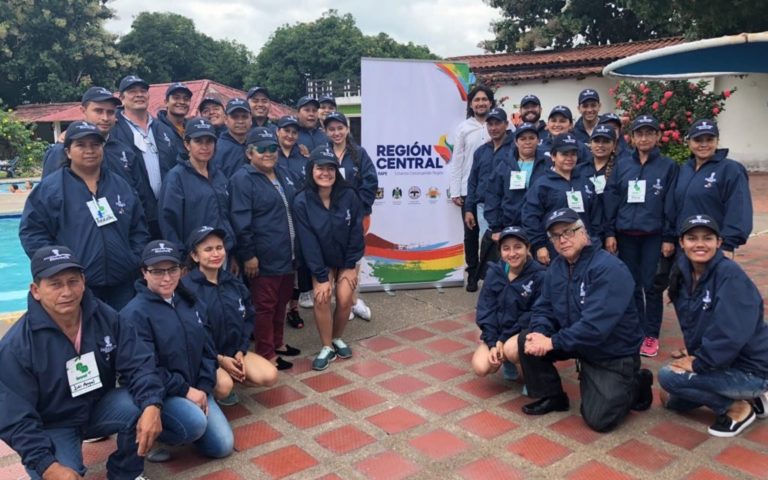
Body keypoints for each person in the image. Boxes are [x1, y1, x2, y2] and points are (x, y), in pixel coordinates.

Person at [0, 246, 164, 480]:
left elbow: (139, 361)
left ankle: (126, 473)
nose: (67, 292)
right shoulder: (16, 346)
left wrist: (152, 405)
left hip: (97, 408)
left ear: (84, 282)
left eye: (73, 281)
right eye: (55, 284)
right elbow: (14, 416)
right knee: (59, 474)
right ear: (36, 290)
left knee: (140, 403)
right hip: (54, 423)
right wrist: (46, 464)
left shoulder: (105, 316)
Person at [516, 208, 652, 432]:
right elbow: (543, 307)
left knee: (599, 420)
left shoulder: (609, 268)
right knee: (527, 339)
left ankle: (636, 382)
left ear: (583, 232)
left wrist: (552, 342)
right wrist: (539, 332)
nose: (563, 240)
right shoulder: (557, 268)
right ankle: (553, 396)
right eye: (556, 236)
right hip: (576, 340)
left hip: (610, 351)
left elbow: (595, 328)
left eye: (568, 231)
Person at [120, 240, 234, 463]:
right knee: (195, 424)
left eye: (172, 270)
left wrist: (203, 387)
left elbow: (208, 349)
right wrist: (185, 390)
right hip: (162, 392)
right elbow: (144, 369)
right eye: (157, 271)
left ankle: (184, 420)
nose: (166, 278)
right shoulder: (133, 314)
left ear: (181, 270)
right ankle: (150, 432)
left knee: (222, 446)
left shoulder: (190, 300)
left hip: (196, 386)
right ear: (144, 272)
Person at [20, 121, 149, 310]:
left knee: (122, 327)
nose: (89, 150)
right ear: (68, 152)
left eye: (95, 145)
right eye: (81, 145)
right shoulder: (50, 189)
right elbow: (32, 233)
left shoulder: (121, 186)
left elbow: (139, 228)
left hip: (122, 285)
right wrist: (57, 267)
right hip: (76, 285)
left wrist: (132, 259)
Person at [660, 215, 768, 437]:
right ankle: (753, 398)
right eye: (692, 238)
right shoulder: (682, 272)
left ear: (719, 242)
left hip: (752, 371)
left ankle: (737, 407)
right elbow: (698, 320)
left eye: (707, 238)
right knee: (673, 401)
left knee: (668, 377)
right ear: (681, 242)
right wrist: (694, 352)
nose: (700, 244)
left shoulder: (730, 276)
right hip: (723, 362)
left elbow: (731, 332)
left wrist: (700, 362)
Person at [603, 115, 678, 358]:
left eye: (649, 133)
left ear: (658, 136)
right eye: (639, 134)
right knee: (631, 284)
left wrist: (669, 237)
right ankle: (635, 328)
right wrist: (610, 232)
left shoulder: (668, 166)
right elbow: (612, 197)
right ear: (632, 138)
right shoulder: (623, 164)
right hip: (625, 235)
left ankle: (651, 334)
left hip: (653, 236)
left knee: (652, 285)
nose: (644, 138)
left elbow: (671, 203)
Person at [229, 127, 302, 370]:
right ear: (249, 153)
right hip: (264, 255)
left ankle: (278, 343)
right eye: (261, 149)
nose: (268, 153)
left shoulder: (282, 173)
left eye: (273, 148)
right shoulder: (243, 179)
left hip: (288, 253)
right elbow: (240, 220)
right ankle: (266, 352)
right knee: (264, 305)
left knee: (281, 301)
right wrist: (249, 255)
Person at [182, 226, 279, 406]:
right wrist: (219, 359)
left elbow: (248, 317)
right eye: (208, 249)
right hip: (204, 357)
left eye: (219, 248)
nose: (215, 254)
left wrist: (240, 350)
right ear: (195, 256)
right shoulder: (186, 289)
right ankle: (211, 388)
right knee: (224, 386)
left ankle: (230, 374)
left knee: (270, 375)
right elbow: (190, 334)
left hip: (233, 351)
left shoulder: (233, 282)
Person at [293, 146, 364, 371]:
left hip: (345, 258)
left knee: (344, 298)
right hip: (320, 260)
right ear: (311, 170)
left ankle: (336, 338)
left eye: (330, 168)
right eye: (320, 168)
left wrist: (350, 265)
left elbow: (356, 231)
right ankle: (326, 347)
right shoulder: (301, 200)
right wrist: (321, 276)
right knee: (322, 297)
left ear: (337, 171)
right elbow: (307, 241)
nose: (325, 173)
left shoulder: (349, 195)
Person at [664, 119, 752, 256]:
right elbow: (672, 206)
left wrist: (728, 244)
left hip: (712, 247)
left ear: (717, 141)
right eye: (698, 140)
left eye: (709, 140)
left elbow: (738, 209)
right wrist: (668, 237)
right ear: (689, 142)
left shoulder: (731, 170)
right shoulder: (684, 169)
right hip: (684, 245)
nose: (704, 144)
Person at [471, 226, 544, 381]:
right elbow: (485, 309)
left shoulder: (540, 275)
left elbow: (535, 313)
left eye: (518, 247)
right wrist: (492, 343)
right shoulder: (494, 272)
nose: (512, 253)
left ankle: (533, 376)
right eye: (506, 248)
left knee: (512, 350)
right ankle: (506, 360)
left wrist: (503, 339)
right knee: (480, 367)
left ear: (527, 248)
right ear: (500, 251)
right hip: (498, 334)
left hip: (523, 331)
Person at [324, 111, 377, 320]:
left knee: (354, 257)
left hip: (357, 217)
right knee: (332, 257)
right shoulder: (322, 152)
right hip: (329, 217)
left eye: (340, 128)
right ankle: (340, 300)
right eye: (331, 129)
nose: (336, 133)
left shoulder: (359, 153)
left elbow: (370, 182)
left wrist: (357, 209)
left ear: (347, 129)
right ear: (326, 132)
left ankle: (352, 299)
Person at [157, 118, 235, 260]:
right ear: (187, 144)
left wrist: (231, 250)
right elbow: (168, 222)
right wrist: (180, 257)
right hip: (193, 256)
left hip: (222, 253)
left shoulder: (219, 175)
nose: (204, 147)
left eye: (209, 141)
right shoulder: (176, 177)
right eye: (198, 141)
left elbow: (227, 215)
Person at [111, 75, 178, 239]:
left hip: (165, 212)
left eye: (143, 91)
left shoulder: (164, 129)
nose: (139, 95)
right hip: (131, 214)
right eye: (132, 91)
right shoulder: (112, 129)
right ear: (122, 98)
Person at [42, 86, 141, 192]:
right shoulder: (62, 150)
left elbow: (140, 194)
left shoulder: (125, 151)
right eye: (98, 111)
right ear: (83, 111)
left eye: (110, 112)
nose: (105, 118)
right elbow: (48, 194)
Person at [522, 133, 601, 266]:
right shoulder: (542, 184)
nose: (569, 158)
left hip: (584, 247)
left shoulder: (586, 183)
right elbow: (530, 217)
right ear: (553, 156)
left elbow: (596, 215)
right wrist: (539, 245)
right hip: (554, 248)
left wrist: (594, 240)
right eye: (564, 154)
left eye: (573, 154)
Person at [449, 85, 494, 292]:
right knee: (471, 235)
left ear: (490, 102)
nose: (481, 103)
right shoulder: (464, 128)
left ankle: (491, 273)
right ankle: (473, 274)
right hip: (470, 189)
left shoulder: (502, 124)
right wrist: (455, 191)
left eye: (484, 99)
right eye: (477, 100)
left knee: (492, 234)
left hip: (495, 190)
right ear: (471, 104)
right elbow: (457, 160)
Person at [464, 107, 514, 284]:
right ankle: (492, 285)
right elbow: (472, 181)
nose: (493, 128)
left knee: (509, 248)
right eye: (490, 124)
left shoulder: (515, 148)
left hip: (508, 207)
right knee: (488, 250)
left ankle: (509, 285)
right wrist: (469, 208)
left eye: (497, 123)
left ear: (506, 124)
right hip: (483, 208)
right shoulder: (481, 151)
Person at [484, 123, 550, 239]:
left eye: (531, 138)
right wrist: (495, 227)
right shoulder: (505, 165)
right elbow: (493, 195)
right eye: (523, 139)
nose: (527, 142)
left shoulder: (547, 164)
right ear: (516, 142)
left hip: (541, 226)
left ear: (538, 141)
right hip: (511, 225)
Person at [276, 114, 312, 327]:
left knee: (298, 268)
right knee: (281, 268)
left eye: (294, 132)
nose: (290, 135)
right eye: (286, 130)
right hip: (278, 220)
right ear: (277, 132)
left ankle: (293, 308)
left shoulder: (304, 157)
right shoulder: (271, 154)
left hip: (300, 220)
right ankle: (278, 311)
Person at [212, 98, 253, 178]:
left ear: (251, 119)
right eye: (235, 117)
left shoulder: (257, 145)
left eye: (244, 116)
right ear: (225, 119)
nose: (240, 121)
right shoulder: (216, 148)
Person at [156, 82, 193, 156]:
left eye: (186, 99)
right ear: (166, 102)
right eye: (176, 98)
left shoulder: (192, 128)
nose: (182, 102)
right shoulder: (156, 128)